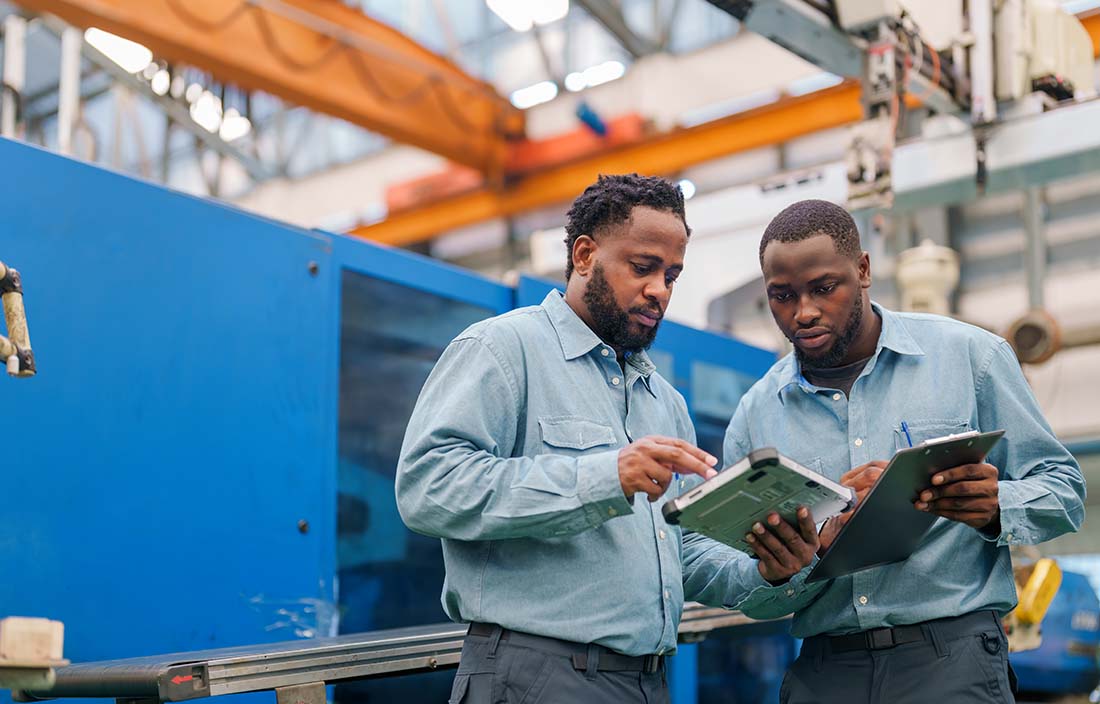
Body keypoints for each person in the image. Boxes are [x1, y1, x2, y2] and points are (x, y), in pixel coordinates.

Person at [396, 174, 815, 703]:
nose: (659, 289)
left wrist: (767, 571)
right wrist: (605, 476)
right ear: (585, 254)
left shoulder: (664, 401)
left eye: (672, 275)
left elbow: (681, 552)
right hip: (534, 678)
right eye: (643, 267)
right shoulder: (504, 349)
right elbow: (428, 487)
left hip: (646, 681)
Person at [718, 198, 1085, 703]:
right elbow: (723, 574)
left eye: (824, 288)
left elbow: (1064, 492)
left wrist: (997, 505)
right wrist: (789, 562)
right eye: (782, 296)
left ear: (864, 270)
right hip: (825, 671)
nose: (804, 312)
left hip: (951, 662)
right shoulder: (757, 413)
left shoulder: (972, 358)